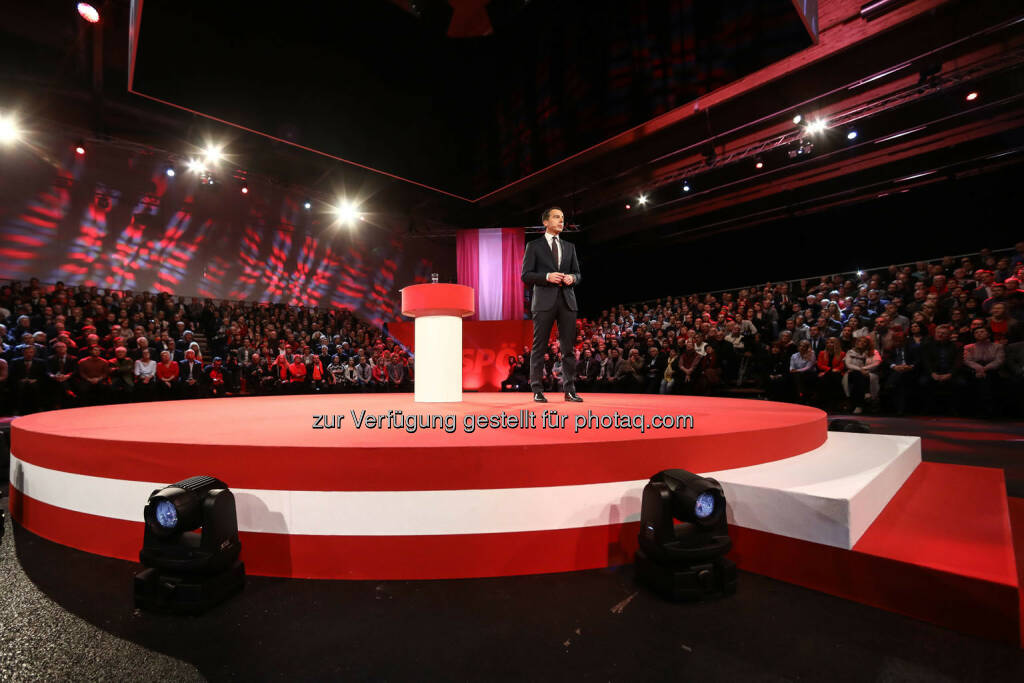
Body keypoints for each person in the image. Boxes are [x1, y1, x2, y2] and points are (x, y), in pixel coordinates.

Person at [521, 206, 583, 403]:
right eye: (556, 217)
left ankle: (570, 390)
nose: (561, 221)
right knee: (539, 347)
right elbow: (526, 275)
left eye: (563, 218)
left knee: (568, 349)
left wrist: (573, 278)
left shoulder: (569, 246)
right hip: (543, 301)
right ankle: (537, 389)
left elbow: (578, 274)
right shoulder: (534, 245)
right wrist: (547, 276)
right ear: (546, 222)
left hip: (567, 300)